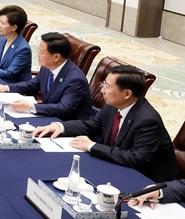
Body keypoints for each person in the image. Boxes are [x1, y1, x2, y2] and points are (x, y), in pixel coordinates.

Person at [35, 64, 178, 183]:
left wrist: (92, 146)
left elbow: (136, 158)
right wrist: (60, 126)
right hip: (117, 166)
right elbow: (91, 125)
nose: (102, 90)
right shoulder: (112, 106)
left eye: (108, 87)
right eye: (104, 84)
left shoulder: (147, 120)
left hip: (146, 179)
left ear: (127, 94)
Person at [0, 32, 93, 120]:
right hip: (50, 115)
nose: (38, 56)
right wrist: (7, 88)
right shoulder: (47, 67)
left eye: (41, 52)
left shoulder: (75, 79)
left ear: (56, 57)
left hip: (69, 123)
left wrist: (31, 107)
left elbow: (64, 108)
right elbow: (33, 84)